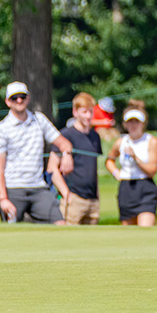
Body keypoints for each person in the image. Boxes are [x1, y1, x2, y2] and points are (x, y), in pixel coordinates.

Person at [0, 81, 74, 224]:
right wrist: (3, 199)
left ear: (28, 99)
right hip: (13, 188)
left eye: (22, 97)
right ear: (7, 102)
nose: (19, 100)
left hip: (38, 188)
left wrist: (67, 155)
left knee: (60, 224)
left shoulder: (39, 120)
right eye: (14, 98)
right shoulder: (1, 129)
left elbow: (64, 143)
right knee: (12, 232)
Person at [105, 102, 157, 226]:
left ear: (143, 123)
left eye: (136, 121)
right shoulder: (121, 142)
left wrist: (136, 158)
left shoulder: (151, 141)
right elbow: (109, 160)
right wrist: (116, 173)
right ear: (125, 124)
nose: (133, 125)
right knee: (129, 233)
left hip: (145, 187)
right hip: (126, 188)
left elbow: (152, 171)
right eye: (130, 121)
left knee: (145, 230)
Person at [59, 92, 104, 224]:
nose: (88, 116)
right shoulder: (66, 135)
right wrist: (66, 194)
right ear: (75, 112)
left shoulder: (95, 136)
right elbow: (52, 168)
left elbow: (92, 169)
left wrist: (97, 196)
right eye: (84, 112)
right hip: (74, 199)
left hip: (93, 200)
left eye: (91, 112)